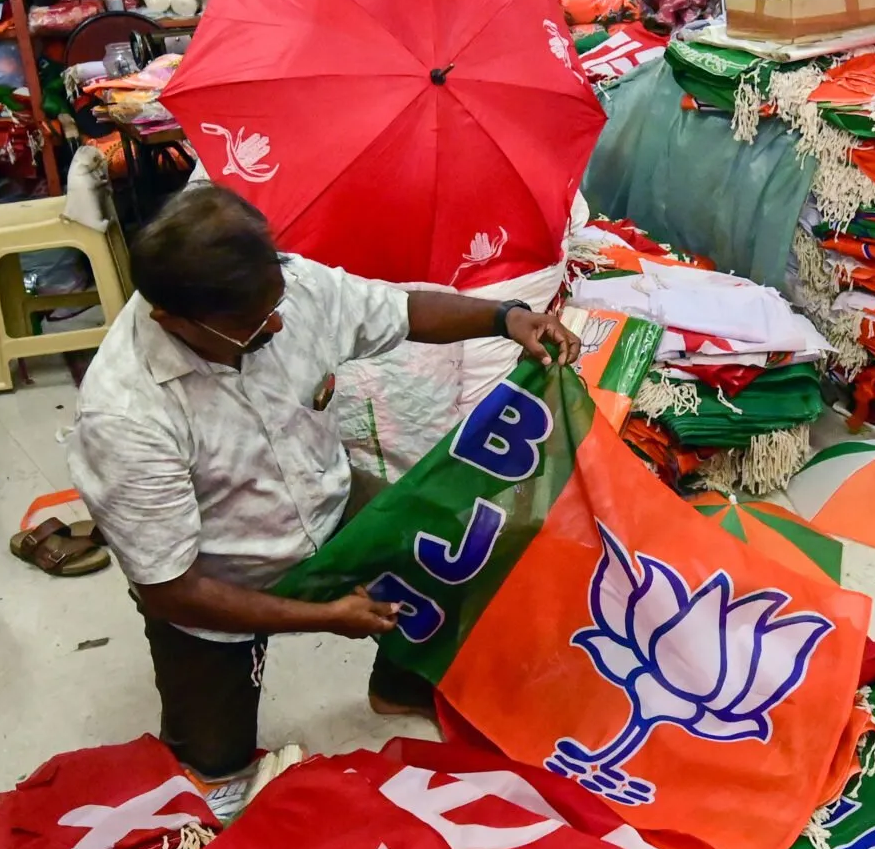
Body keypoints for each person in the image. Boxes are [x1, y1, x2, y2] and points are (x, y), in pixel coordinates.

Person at [67, 185, 579, 784]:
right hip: (219, 576)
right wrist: (326, 616)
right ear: (172, 320)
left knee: (457, 539)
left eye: (276, 301)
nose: (279, 322)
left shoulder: (287, 288)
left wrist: (505, 318)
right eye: (256, 325)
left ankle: (402, 682)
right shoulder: (125, 414)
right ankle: (217, 733)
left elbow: (402, 312)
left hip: (328, 502)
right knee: (211, 771)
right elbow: (172, 590)